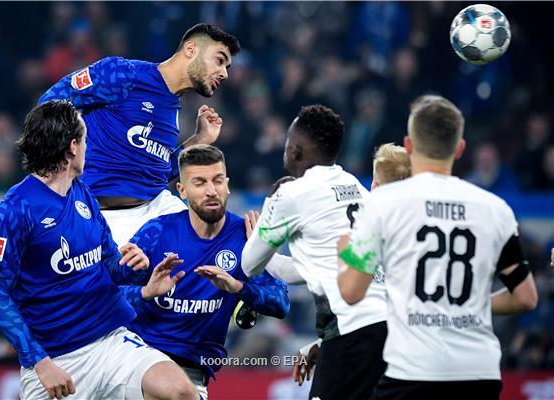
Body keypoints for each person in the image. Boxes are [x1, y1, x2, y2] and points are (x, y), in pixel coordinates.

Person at [0, 100, 197, 400]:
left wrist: (136, 268)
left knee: (181, 392)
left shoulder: (82, 192)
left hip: (111, 341)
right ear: (73, 147)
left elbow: (109, 262)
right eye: (85, 139)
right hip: (56, 360)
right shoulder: (16, 209)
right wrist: (40, 362)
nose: (88, 147)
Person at [337, 95, 539, 400]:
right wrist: (471, 304)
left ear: (409, 145)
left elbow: (351, 292)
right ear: (460, 148)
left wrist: (344, 254)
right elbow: (525, 297)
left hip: (413, 372)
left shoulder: (383, 204)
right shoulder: (496, 209)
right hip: (479, 374)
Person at [38, 23, 241, 246]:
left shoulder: (172, 105)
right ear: (191, 49)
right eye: (219, 60)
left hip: (157, 208)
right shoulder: (123, 74)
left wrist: (199, 139)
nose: (224, 73)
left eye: (227, 67)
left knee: (221, 240)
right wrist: (65, 158)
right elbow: (49, 102)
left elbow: (155, 173)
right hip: (106, 217)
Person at [120, 144, 290, 400]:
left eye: (217, 180)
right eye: (199, 183)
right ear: (182, 190)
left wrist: (239, 287)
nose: (211, 191)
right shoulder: (157, 233)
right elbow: (108, 295)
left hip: (193, 372)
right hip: (139, 361)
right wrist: (145, 291)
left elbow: (281, 303)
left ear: (227, 185)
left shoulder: (245, 237)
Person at [241, 105, 387, 400]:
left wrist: (269, 206)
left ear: (295, 151)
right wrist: (321, 344)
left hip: (351, 334)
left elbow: (250, 264)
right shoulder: (356, 187)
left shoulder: (291, 195)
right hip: (388, 330)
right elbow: (296, 271)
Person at [291, 142, 411, 388]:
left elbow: (354, 298)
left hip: (363, 344)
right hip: (411, 353)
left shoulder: (373, 230)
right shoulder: (414, 230)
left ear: (374, 185)